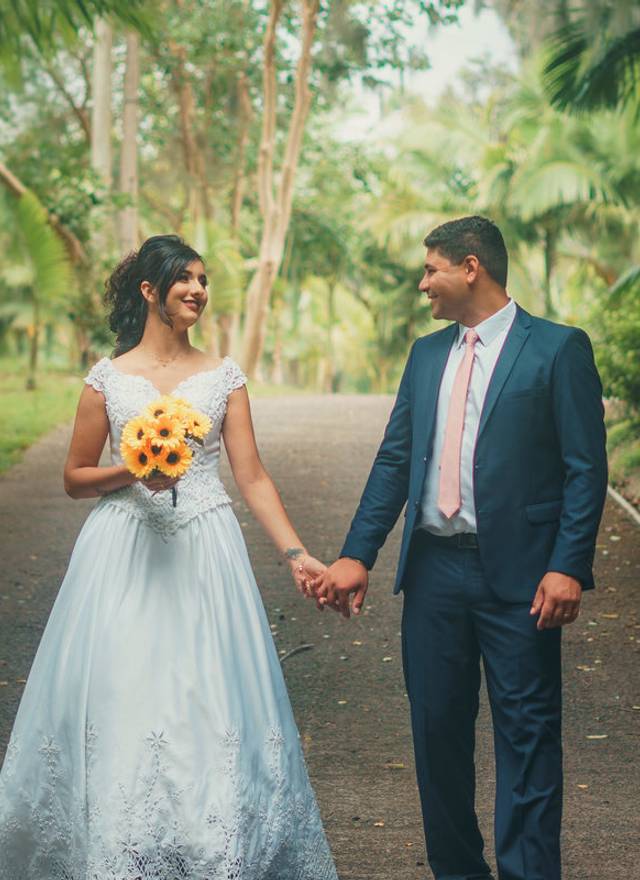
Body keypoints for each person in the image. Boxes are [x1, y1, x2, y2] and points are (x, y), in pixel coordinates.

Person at [0, 234, 337, 880]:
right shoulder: (107, 379)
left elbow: (253, 476)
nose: (198, 291)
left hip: (206, 550)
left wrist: (296, 553)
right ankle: (120, 844)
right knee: (126, 689)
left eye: (204, 280)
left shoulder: (224, 377)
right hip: (122, 553)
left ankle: (211, 845)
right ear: (149, 291)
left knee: (206, 694)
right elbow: (75, 476)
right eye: (185, 279)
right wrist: (133, 470)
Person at [311, 216, 608, 880]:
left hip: (524, 579)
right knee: (436, 739)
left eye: (431, 270)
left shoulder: (557, 349)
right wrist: (358, 554)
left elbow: (586, 468)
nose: (423, 284)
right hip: (434, 575)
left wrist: (568, 566)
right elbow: (395, 462)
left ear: (470, 267)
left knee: (528, 740)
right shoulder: (425, 355)